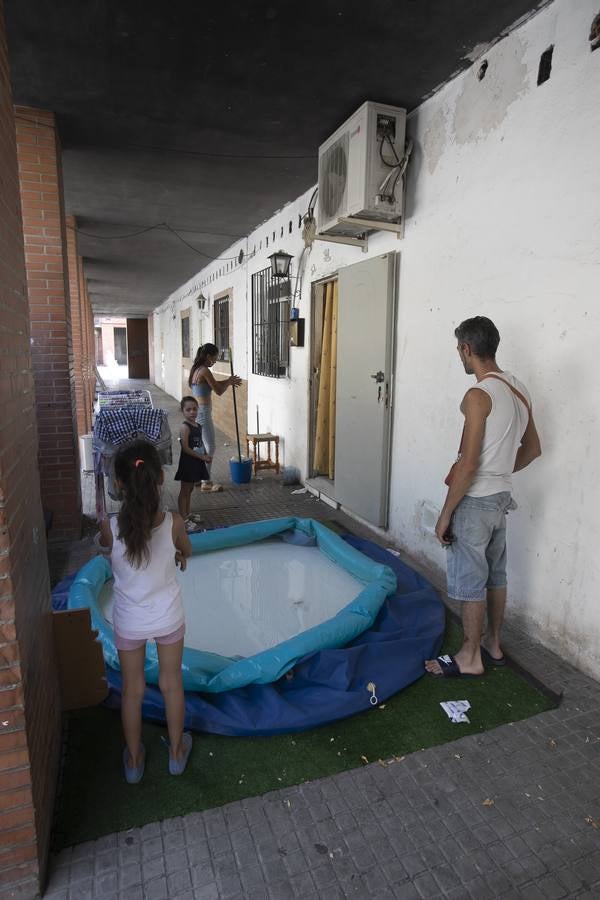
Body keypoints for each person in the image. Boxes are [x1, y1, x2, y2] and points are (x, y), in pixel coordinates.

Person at [426, 316, 541, 678]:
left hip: (475, 501)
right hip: (501, 498)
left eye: (458, 349)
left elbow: (468, 463)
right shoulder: (518, 389)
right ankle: (493, 643)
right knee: (496, 575)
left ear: (466, 349)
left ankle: (470, 656)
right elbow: (533, 449)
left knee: (470, 579)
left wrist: (445, 514)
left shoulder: (478, 395)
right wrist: (500, 471)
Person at [99, 440, 193, 782]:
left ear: (119, 483)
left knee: (132, 689)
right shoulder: (174, 522)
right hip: (168, 617)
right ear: (161, 478)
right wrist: (178, 554)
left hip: (129, 622)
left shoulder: (109, 528)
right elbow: (187, 550)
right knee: (172, 684)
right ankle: (176, 754)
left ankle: (135, 761)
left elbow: (111, 555)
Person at [189, 343, 241, 489]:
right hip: (203, 413)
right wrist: (229, 382)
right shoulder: (205, 370)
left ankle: (198, 477)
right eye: (214, 358)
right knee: (210, 446)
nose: (215, 361)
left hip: (198, 412)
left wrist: (229, 381)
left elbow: (212, 384)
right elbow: (218, 390)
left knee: (202, 447)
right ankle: (206, 481)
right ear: (208, 356)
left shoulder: (196, 369)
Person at [174, 396, 212, 530]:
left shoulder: (198, 426)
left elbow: (200, 443)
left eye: (194, 409)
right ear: (182, 411)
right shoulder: (185, 427)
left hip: (196, 461)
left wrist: (206, 454)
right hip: (188, 463)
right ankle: (183, 519)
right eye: (188, 409)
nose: (192, 412)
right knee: (184, 490)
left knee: (190, 489)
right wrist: (202, 456)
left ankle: (187, 513)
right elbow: (185, 448)